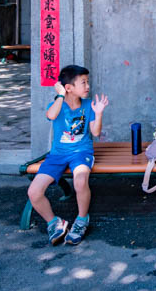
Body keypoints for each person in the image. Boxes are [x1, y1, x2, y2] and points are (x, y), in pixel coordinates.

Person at [27, 65, 109, 246]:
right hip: (57, 156)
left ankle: (81, 220)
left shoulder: (88, 106)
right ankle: (54, 222)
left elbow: (95, 132)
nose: (88, 86)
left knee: (80, 181)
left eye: (87, 81)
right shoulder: (57, 104)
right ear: (69, 87)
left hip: (81, 153)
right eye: (83, 82)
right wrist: (60, 95)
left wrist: (99, 113)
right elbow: (51, 114)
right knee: (34, 192)